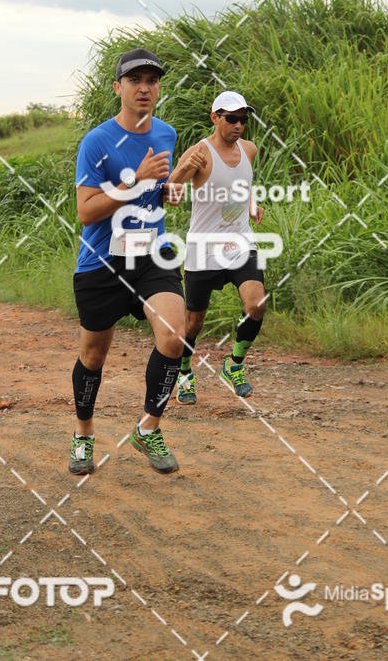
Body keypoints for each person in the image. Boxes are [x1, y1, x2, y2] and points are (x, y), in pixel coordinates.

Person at [69, 49, 185, 476]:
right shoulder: (97, 142)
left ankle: (148, 428)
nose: (144, 87)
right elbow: (87, 211)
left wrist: (168, 191)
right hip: (102, 262)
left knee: (174, 337)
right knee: (94, 355)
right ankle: (83, 435)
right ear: (118, 87)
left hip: (151, 256)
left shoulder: (167, 134)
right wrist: (134, 179)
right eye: (135, 80)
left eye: (152, 80)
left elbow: (158, 192)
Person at [167, 91, 266, 404]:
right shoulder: (200, 152)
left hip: (240, 242)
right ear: (215, 118)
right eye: (231, 118)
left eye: (243, 120)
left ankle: (233, 366)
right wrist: (184, 170)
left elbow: (241, 185)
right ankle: (184, 370)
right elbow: (169, 191)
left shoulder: (249, 150)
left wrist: (251, 204)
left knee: (256, 305)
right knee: (194, 322)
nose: (238, 125)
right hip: (204, 248)